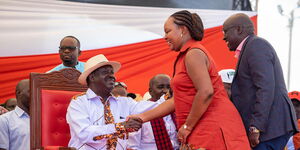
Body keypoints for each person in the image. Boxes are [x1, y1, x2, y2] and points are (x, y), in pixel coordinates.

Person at [128, 10, 250, 149]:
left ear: (183, 30)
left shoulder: (194, 53)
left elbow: (206, 91)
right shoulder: (185, 55)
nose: (165, 37)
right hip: (201, 127)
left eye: (168, 31)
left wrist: (187, 126)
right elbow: (176, 100)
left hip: (213, 127)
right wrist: (142, 117)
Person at [222, 13, 298, 149]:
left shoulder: (256, 45)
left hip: (268, 130)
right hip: (268, 129)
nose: (223, 37)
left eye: (225, 31)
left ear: (239, 29)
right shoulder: (250, 47)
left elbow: (265, 88)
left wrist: (255, 127)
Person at [66, 54, 157, 150]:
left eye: (112, 72)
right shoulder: (79, 102)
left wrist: (170, 96)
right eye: (105, 72)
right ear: (92, 77)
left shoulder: (124, 102)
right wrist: (120, 127)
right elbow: (84, 133)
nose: (112, 76)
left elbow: (154, 107)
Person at [127, 74, 179, 150]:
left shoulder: (176, 109)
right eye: (160, 87)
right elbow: (132, 145)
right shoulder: (140, 110)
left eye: (169, 87)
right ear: (150, 91)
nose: (165, 91)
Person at [0, 79, 30, 150]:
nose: (35, 94)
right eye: (30, 91)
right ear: (18, 93)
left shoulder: (42, 118)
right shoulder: (4, 120)